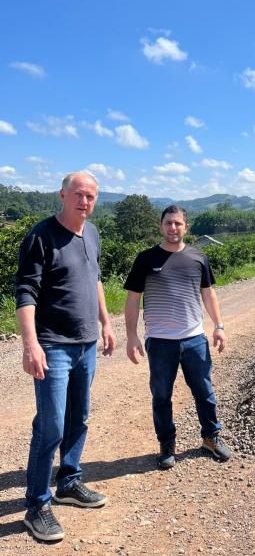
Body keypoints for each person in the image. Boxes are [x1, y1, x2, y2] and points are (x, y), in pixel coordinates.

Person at [16, 172, 116, 542]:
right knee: (51, 426)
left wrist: (106, 323)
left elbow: (96, 280)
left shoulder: (91, 233)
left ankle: (69, 482)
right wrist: (31, 344)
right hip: (53, 345)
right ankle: (36, 505)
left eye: (91, 196)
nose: (84, 201)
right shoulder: (41, 236)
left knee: (80, 417)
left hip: (87, 343)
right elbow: (25, 291)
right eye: (78, 194)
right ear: (62, 195)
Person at [124, 204, 231, 469]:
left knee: (204, 392)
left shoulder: (198, 258)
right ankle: (166, 444)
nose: (173, 228)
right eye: (169, 223)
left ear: (186, 227)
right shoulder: (145, 259)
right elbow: (133, 299)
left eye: (178, 224)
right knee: (161, 395)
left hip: (194, 338)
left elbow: (208, 293)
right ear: (161, 226)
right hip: (159, 341)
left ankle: (210, 437)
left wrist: (219, 326)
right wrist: (131, 336)